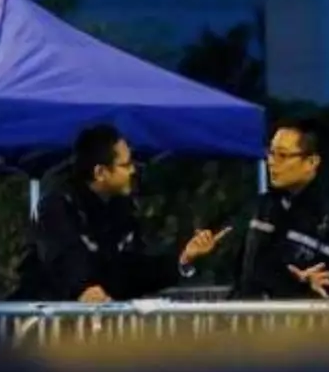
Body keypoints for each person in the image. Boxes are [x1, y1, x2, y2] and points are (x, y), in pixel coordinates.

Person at [12, 124, 231, 302]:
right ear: (100, 172)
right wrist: (84, 289)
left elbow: (134, 269)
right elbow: (63, 257)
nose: (133, 170)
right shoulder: (56, 205)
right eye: (125, 165)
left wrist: (183, 258)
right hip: (44, 329)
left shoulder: (123, 209)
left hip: (94, 334)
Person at [231, 118, 329, 300]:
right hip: (250, 320)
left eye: (282, 155)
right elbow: (246, 274)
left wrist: (301, 285)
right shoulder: (263, 206)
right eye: (270, 153)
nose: (271, 162)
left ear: (312, 162)